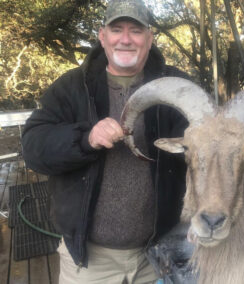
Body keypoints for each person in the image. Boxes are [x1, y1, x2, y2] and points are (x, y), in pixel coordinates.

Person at [22, 0, 188, 283]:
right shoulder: (72, 86)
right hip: (89, 262)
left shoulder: (178, 86)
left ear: (149, 38)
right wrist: (86, 138)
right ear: (102, 36)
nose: (125, 39)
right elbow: (34, 149)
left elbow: (208, 138)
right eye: (117, 30)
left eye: (136, 30)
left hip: (158, 256)